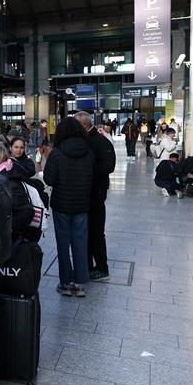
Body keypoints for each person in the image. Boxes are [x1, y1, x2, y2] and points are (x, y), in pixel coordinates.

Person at [44, 117, 94, 297]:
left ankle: (65, 283)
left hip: (62, 204)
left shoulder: (57, 153)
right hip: (81, 204)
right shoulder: (88, 153)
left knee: (63, 245)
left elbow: (49, 179)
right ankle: (79, 284)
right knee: (80, 243)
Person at [74, 111, 116, 284]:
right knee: (86, 231)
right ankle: (87, 265)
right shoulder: (84, 140)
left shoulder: (99, 141)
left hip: (96, 193)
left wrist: (86, 170)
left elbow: (109, 166)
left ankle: (101, 267)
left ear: (84, 125)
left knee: (96, 231)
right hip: (85, 193)